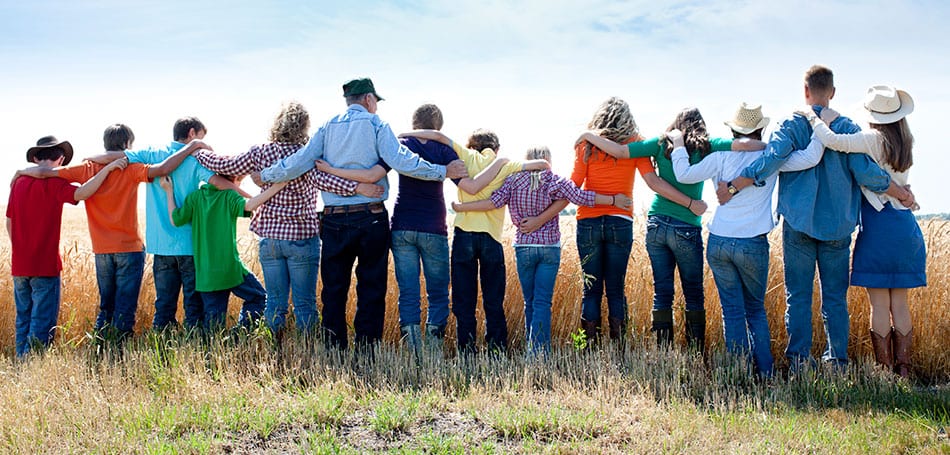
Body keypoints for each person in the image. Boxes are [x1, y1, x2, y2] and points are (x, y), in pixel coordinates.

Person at [719, 66, 913, 370]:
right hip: (838, 225)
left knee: (797, 296)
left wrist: (736, 183)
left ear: (805, 91)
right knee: (835, 299)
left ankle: (798, 361)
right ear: (832, 92)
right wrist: (899, 191)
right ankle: (837, 362)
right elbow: (866, 172)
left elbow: (771, 160)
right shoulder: (847, 128)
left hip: (798, 224)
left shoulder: (791, 124)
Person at [254, 78, 468, 351]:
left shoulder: (327, 126)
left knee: (333, 288)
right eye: (376, 101)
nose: (376, 106)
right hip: (371, 217)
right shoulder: (377, 125)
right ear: (368, 99)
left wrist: (266, 176)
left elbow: (298, 163)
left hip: (333, 219)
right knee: (371, 287)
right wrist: (442, 171)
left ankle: (334, 348)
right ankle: (366, 349)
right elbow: (401, 160)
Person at [318, 103, 509, 354]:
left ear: (413, 123)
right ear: (438, 126)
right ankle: (433, 345)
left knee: (408, 291)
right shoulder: (443, 149)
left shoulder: (401, 146)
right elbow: (469, 185)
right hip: (433, 227)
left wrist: (338, 173)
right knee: (438, 291)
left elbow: (374, 172)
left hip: (402, 226)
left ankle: (412, 347)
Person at [577, 108, 763, 352]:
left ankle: (664, 352)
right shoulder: (708, 145)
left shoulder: (659, 143)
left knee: (662, 292)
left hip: (656, 224)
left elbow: (621, 152)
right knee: (693, 292)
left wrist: (588, 135)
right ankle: (695, 352)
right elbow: (743, 145)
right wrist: (770, 146)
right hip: (686, 225)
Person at [191, 102, 379, 339]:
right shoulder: (307, 155)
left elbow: (224, 164)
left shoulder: (260, 153)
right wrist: (359, 187)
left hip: (270, 240)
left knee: (275, 304)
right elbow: (328, 182)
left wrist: (197, 151)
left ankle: (275, 353)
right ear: (304, 127)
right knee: (304, 305)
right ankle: (308, 351)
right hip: (301, 238)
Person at [670, 103, 824, 377]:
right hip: (752, 243)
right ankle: (765, 373)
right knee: (755, 310)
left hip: (719, 240)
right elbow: (812, 157)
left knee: (732, 310)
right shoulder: (771, 156)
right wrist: (817, 123)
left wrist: (679, 144)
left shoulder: (720, 156)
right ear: (761, 129)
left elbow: (683, 174)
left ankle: (737, 374)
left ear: (732, 129)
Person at [14, 124, 205, 341]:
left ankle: (102, 346)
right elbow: (163, 169)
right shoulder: (131, 167)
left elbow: (47, 173)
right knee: (124, 307)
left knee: (106, 307)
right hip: (129, 248)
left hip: (101, 250)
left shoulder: (87, 168)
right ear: (126, 146)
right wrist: (191, 148)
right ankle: (119, 350)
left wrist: (21, 172)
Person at [451, 145, 631, 355]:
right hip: (548, 248)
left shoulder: (513, 180)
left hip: (524, 248)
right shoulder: (553, 179)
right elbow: (582, 197)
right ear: (547, 159)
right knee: (543, 303)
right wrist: (613, 200)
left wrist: (462, 207)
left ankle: (532, 350)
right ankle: (539, 353)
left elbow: (492, 202)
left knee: (530, 302)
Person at [797, 85, 925, 377]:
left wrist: (817, 118)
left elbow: (833, 141)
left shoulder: (873, 139)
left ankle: (884, 372)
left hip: (878, 227)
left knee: (879, 303)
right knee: (900, 303)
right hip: (906, 227)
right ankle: (904, 371)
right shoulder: (906, 140)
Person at [569, 97, 716, 345]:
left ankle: (585, 348)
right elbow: (653, 182)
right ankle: (619, 350)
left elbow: (573, 188)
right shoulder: (635, 142)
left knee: (590, 289)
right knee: (615, 289)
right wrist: (615, 200)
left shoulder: (587, 145)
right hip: (620, 222)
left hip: (588, 221)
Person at [398, 128, 550, 354]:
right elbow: (542, 165)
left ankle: (467, 351)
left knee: (464, 301)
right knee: (493, 300)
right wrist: (506, 164)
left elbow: (438, 136)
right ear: (495, 147)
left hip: (464, 235)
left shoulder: (464, 156)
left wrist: (406, 133)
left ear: (471, 145)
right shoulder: (503, 163)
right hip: (491, 237)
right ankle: (496, 351)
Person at [90, 117, 243, 331]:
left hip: (160, 245)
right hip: (190, 245)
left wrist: (89, 158)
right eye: (200, 137)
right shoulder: (196, 160)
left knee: (164, 305)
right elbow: (220, 184)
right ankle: (193, 348)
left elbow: (114, 156)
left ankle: (161, 346)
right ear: (191, 133)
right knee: (193, 307)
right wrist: (250, 200)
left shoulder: (152, 153)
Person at [7, 136, 126, 356]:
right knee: (41, 322)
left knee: (23, 317)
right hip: (45, 265)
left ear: (34, 157)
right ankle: (30, 367)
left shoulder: (18, 183)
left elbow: (9, 221)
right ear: (61, 159)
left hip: (19, 265)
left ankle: (19, 362)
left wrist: (20, 249)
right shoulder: (55, 183)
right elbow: (82, 193)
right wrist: (107, 171)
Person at [160, 175, 287, 330]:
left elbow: (175, 220)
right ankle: (240, 332)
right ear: (232, 181)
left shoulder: (196, 197)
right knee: (259, 297)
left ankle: (212, 349)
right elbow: (249, 205)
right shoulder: (229, 196)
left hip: (207, 276)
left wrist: (168, 190)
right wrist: (278, 186)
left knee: (213, 328)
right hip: (231, 270)